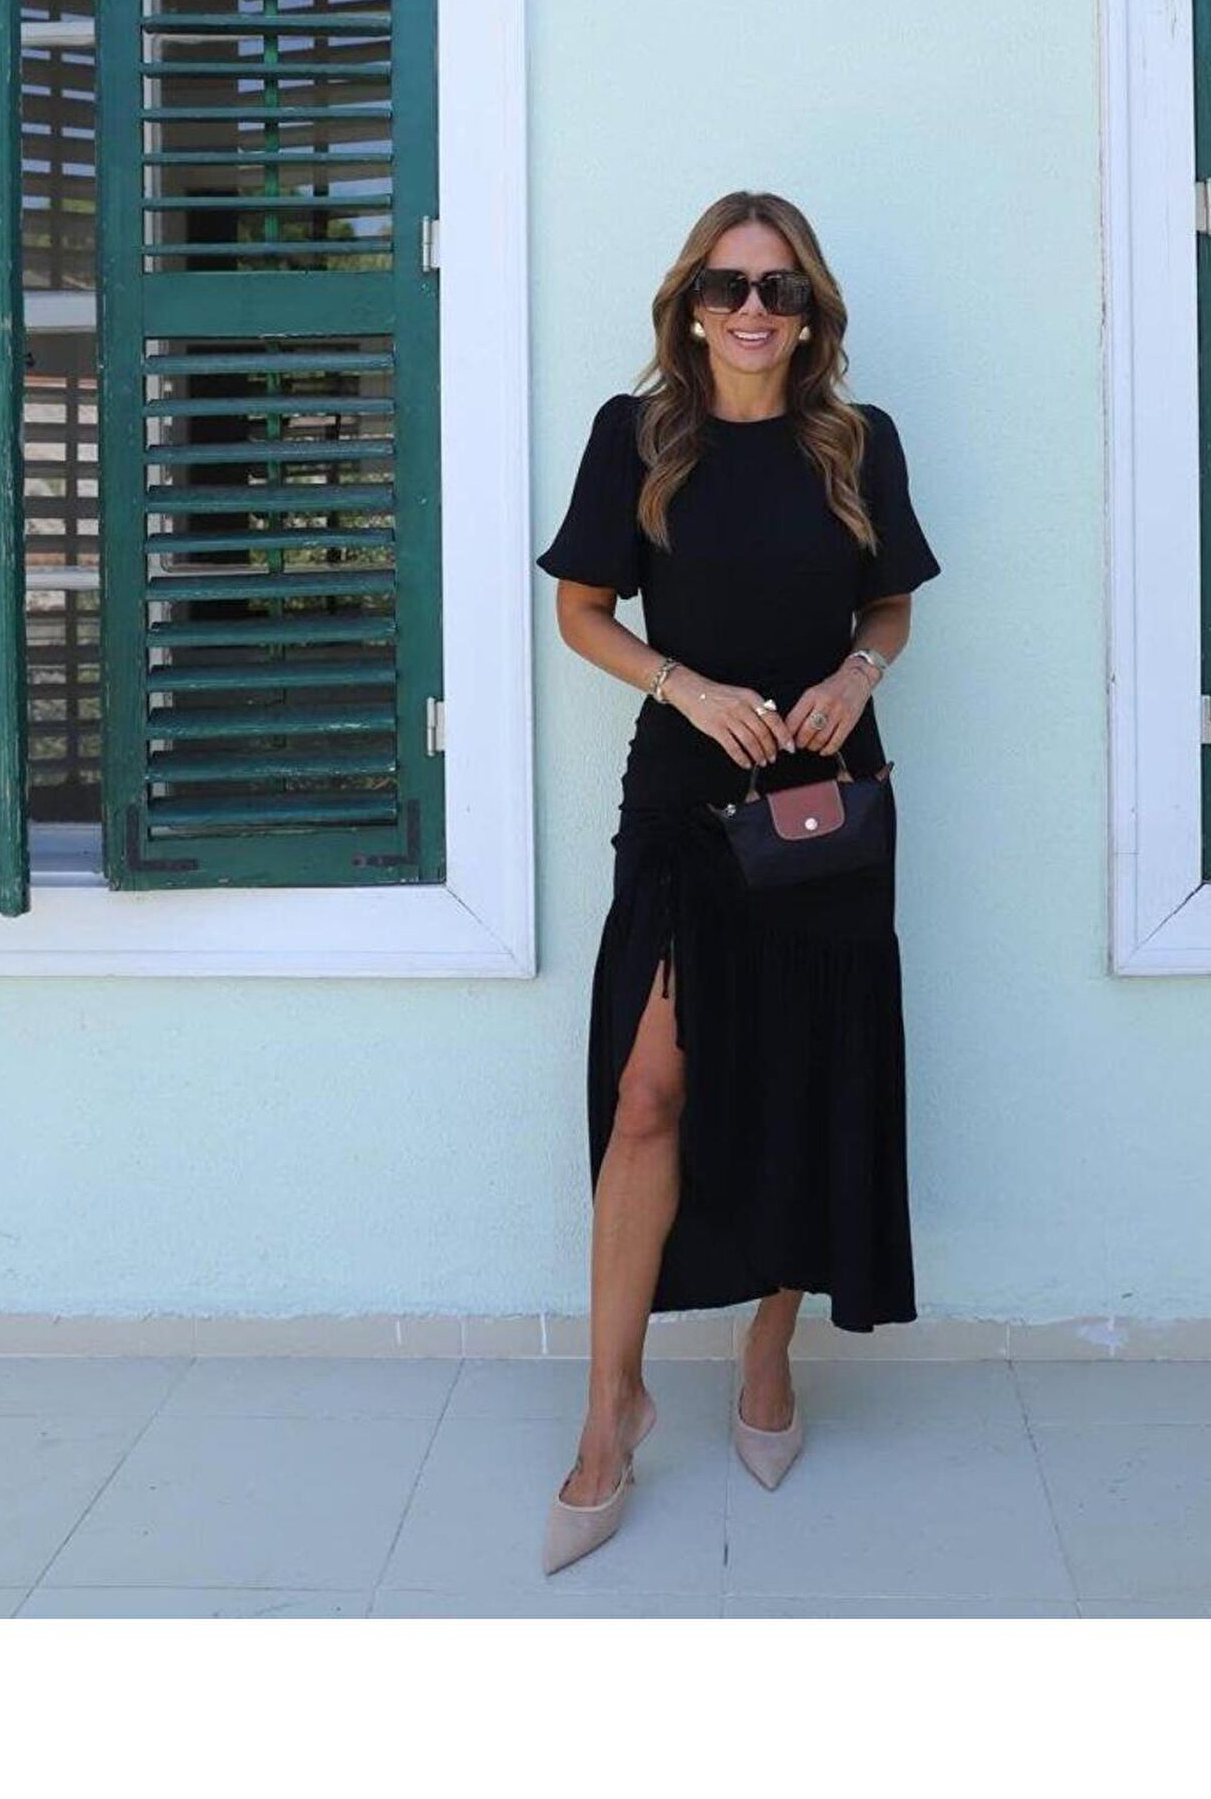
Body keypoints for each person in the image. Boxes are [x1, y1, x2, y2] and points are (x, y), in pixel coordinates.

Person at [533, 189, 941, 1574]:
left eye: (779, 288)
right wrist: (687, 686)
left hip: (827, 798)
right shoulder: (637, 435)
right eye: (727, 286)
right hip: (683, 793)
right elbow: (581, 610)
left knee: (799, 1072)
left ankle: (771, 1351)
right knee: (649, 1090)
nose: (753, 309)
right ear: (691, 306)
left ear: (811, 313)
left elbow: (892, 600)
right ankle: (611, 1409)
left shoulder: (856, 443)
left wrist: (858, 672)